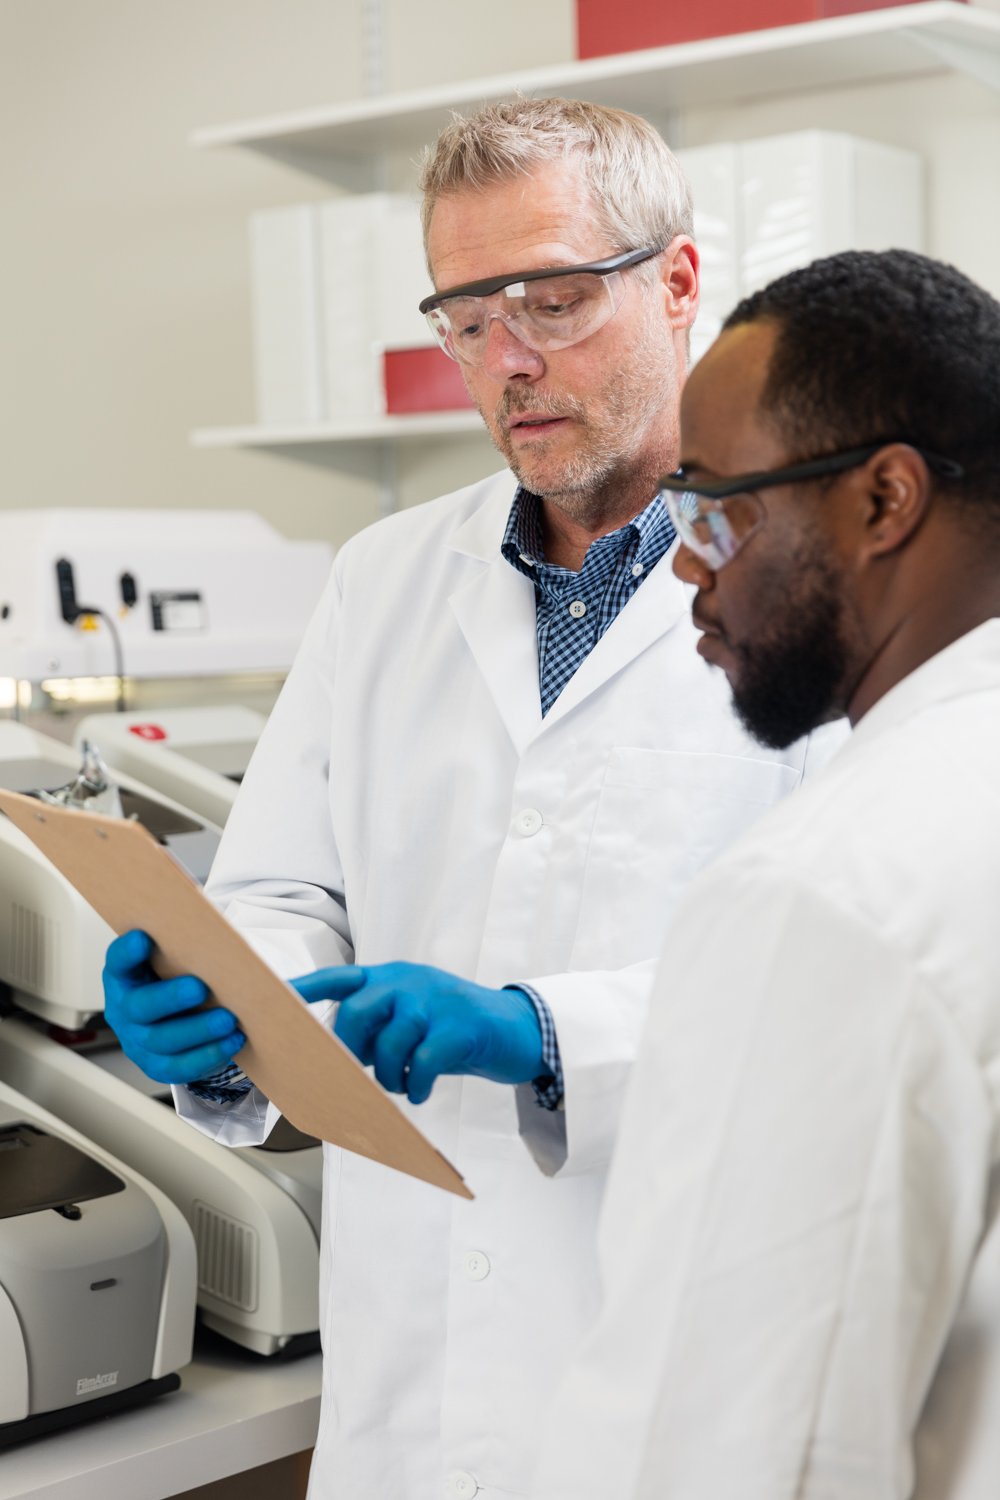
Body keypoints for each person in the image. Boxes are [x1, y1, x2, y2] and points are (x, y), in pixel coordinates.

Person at [102, 98, 839, 1499]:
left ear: (679, 282)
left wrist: (543, 1034)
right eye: (466, 317)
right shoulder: (383, 579)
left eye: (554, 301)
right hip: (413, 1384)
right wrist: (223, 1001)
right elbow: (286, 891)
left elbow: (840, 983)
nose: (509, 361)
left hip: (689, 1372)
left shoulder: (821, 585)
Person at [531, 247, 1000, 1500]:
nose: (687, 566)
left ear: (884, 499)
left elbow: (725, 1453)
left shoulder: (826, 893)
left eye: (713, 510)